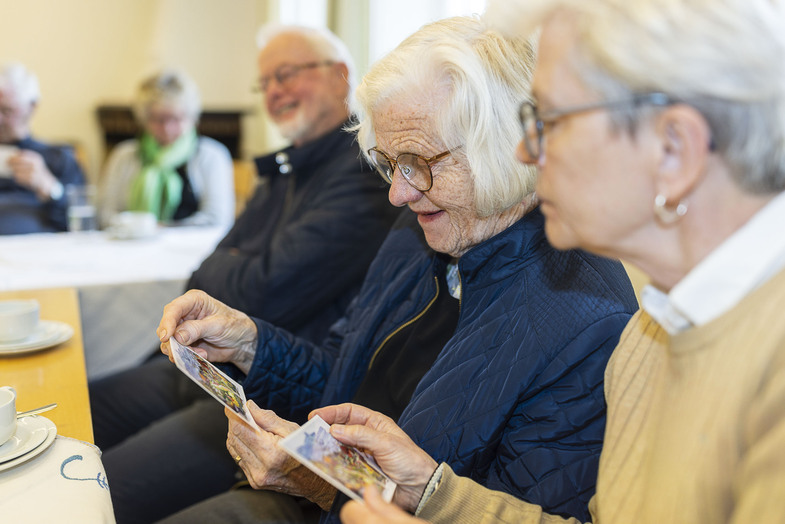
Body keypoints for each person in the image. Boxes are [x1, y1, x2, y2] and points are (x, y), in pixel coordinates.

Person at [155, 16, 638, 524]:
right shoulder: (422, 232)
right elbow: (340, 380)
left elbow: (515, 510)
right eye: (389, 163)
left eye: (417, 162)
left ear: (501, 147)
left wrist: (320, 485)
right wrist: (252, 344)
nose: (398, 193)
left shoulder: (584, 318)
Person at [322, 0, 785, 523]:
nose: (523, 152)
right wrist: (434, 495)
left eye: (551, 121)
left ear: (674, 150)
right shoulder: (652, 332)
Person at [88, 24, 400, 524]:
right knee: (80, 410)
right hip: (233, 366)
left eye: (287, 74)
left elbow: (263, 290)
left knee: (99, 491)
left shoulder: (364, 176)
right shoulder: (288, 168)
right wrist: (233, 266)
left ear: (341, 76)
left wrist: (231, 264)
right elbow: (205, 270)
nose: (274, 91)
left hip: (271, 388)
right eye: (266, 82)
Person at [98, 68, 235, 228]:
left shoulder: (212, 155)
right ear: (144, 118)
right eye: (158, 119)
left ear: (191, 117)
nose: (167, 128)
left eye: (176, 118)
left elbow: (217, 219)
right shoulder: (124, 155)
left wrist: (160, 230)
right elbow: (104, 215)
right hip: (131, 247)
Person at [0, 62, 85, 234]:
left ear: (32, 107)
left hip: (36, 252)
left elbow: (83, 224)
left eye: (6, 111)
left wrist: (50, 187)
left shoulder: (59, 157)